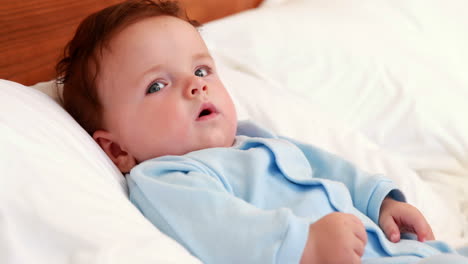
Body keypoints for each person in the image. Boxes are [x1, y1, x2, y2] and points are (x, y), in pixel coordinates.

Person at [56, 0, 468, 263]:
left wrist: (379, 201)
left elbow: (331, 168)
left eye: (201, 70)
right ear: (116, 150)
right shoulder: (168, 178)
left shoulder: (258, 140)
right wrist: (304, 245)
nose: (195, 85)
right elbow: (224, 230)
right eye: (157, 85)